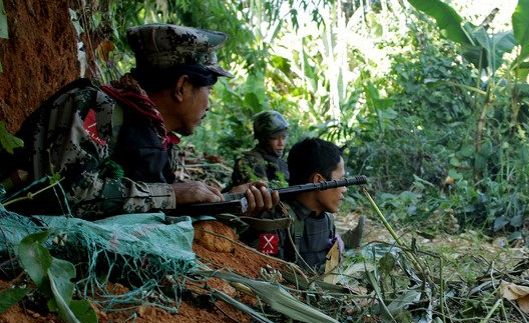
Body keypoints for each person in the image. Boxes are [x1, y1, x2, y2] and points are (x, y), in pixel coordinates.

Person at [3, 23, 275, 218]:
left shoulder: (157, 135)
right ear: (181, 87)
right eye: (209, 91)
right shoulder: (97, 107)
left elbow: (154, 206)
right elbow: (64, 193)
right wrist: (171, 193)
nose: (209, 105)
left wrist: (229, 199)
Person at [249, 137, 346, 273]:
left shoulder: (327, 218)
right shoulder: (275, 221)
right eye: (341, 180)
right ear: (318, 181)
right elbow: (264, 271)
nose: (345, 188)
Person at [230, 110, 290, 187]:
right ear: (263, 139)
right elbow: (260, 192)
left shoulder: (280, 161)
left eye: (283, 137)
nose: (281, 143)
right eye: (274, 138)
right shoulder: (251, 161)